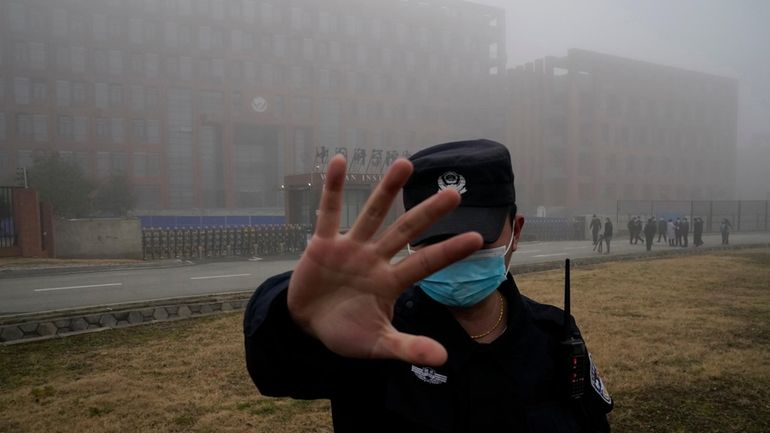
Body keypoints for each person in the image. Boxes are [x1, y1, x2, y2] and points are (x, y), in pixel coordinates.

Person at [243, 140, 613, 432]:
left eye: (475, 236)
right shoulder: (373, 334)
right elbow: (277, 371)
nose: (452, 255)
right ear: (411, 240)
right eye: (435, 236)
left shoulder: (552, 335)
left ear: (515, 231)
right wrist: (297, 320)